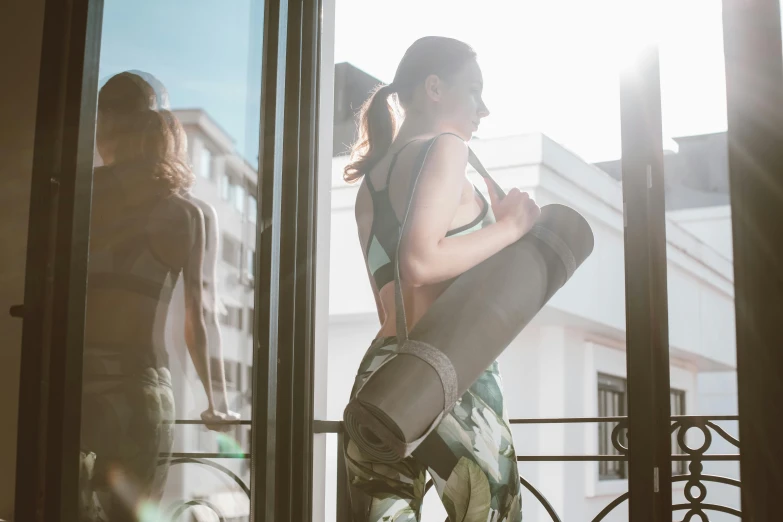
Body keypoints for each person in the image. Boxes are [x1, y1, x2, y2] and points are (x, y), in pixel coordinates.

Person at [343, 36, 540, 522]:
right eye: (474, 90)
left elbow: (394, 297)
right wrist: (511, 227)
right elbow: (422, 263)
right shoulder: (446, 148)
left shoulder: (370, 183)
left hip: (383, 380)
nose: (484, 108)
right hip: (452, 375)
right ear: (434, 87)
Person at [79, 71, 229, 521]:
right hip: (136, 387)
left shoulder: (74, 196)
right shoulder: (187, 212)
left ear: (102, 123)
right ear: (164, 130)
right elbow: (199, 318)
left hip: (73, 381)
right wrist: (216, 401)